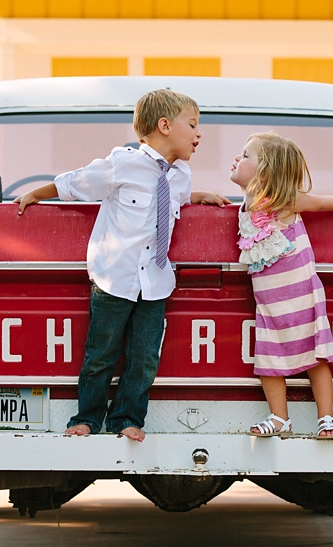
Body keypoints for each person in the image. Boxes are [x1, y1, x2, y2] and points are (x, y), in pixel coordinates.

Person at [14, 89, 228, 441]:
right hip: (115, 277)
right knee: (101, 354)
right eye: (192, 125)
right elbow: (77, 181)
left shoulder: (180, 175)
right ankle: (86, 418)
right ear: (164, 126)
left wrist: (197, 195)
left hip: (155, 281)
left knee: (144, 358)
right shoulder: (122, 164)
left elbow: (173, 197)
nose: (198, 134)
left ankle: (126, 418)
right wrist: (38, 194)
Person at [230, 132, 333, 439]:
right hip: (268, 305)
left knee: (315, 358)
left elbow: (318, 203)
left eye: (245, 155)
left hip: (302, 297)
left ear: (266, 171)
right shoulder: (245, 207)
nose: (237, 158)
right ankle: (280, 418)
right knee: (267, 361)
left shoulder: (283, 202)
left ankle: (327, 417)